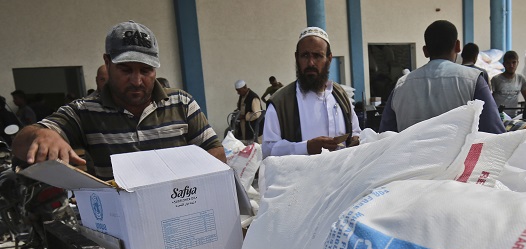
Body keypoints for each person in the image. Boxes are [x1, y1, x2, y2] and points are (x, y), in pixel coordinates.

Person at [11, 20, 225, 180]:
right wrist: (42, 135)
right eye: (126, 70)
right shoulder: (84, 112)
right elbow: (20, 143)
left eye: (146, 70)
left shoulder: (181, 103)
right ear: (107, 62)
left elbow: (214, 151)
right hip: (120, 228)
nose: (137, 81)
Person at [379, 20, 504, 134]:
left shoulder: (401, 85)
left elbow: (386, 135)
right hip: (458, 159)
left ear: (425, 51)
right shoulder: (473, 80)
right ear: (458, 46)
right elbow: (494, 131)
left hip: (410, 158)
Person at [262, 26, 361, 157]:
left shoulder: (340, 95)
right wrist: (306, 147)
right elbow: (268, 150)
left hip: (343, 175)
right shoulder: (281, 103)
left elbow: (356, 131)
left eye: (317, 56)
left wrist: (355, 139)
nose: (311, 63)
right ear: (297, 58)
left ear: (329, 58)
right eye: (305, 55)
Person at [491, 50, 526, 117]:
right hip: (498, 116)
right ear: (504, 64)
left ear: (518, 63)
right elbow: (490, 99)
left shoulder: (521, 79)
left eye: (514, 62)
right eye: (508, 63)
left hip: (514, 117)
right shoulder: (495, 79)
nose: (511, 65)